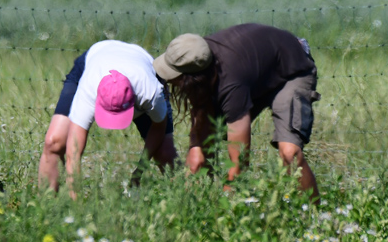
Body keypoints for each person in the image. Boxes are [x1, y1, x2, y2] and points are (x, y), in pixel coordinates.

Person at [154, 23, 320, 198]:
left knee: (289, 152)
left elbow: (239, 160)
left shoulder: (230, 84)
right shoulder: (194, 54)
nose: (169, 80)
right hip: (256, 73)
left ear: (191, 78)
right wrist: (196, 151)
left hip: (291, 71)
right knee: (197, 156)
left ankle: (315, 215)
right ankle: (195, 207)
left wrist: (229, 201)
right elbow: (201, 128)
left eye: (174, 76)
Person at [37, 40, 177, 196]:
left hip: (141, 63)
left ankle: (180, 206)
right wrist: (77, 208)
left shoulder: (150, 91)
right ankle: (45, 207)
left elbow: (158, 128)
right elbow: (73, 156)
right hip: (95, 58)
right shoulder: (88, 91)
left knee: (165, 153)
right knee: (54, 142)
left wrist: (138, 173)